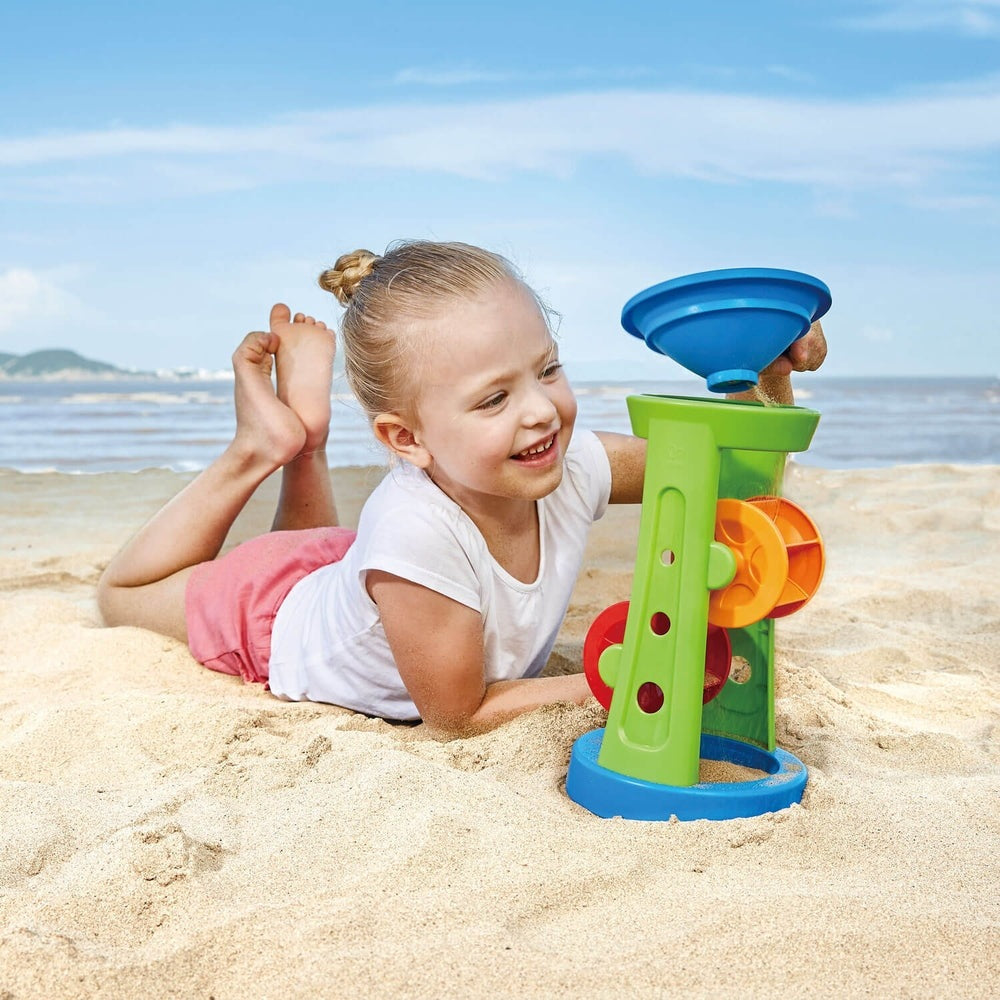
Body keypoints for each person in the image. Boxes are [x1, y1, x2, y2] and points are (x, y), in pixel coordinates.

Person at [98, 241, 827, 735]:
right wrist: (629, 673)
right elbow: (459, 717)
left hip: (355, 572)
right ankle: (262, 446)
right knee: (121, 596)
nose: (541, 410)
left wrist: (764, 369)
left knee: (321, 554)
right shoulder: (414, 534)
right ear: (406, 439)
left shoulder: (567, 463)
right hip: (267, 611)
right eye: (494, 399)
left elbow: (728, 476)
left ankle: (306, 446)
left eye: (547, 369)